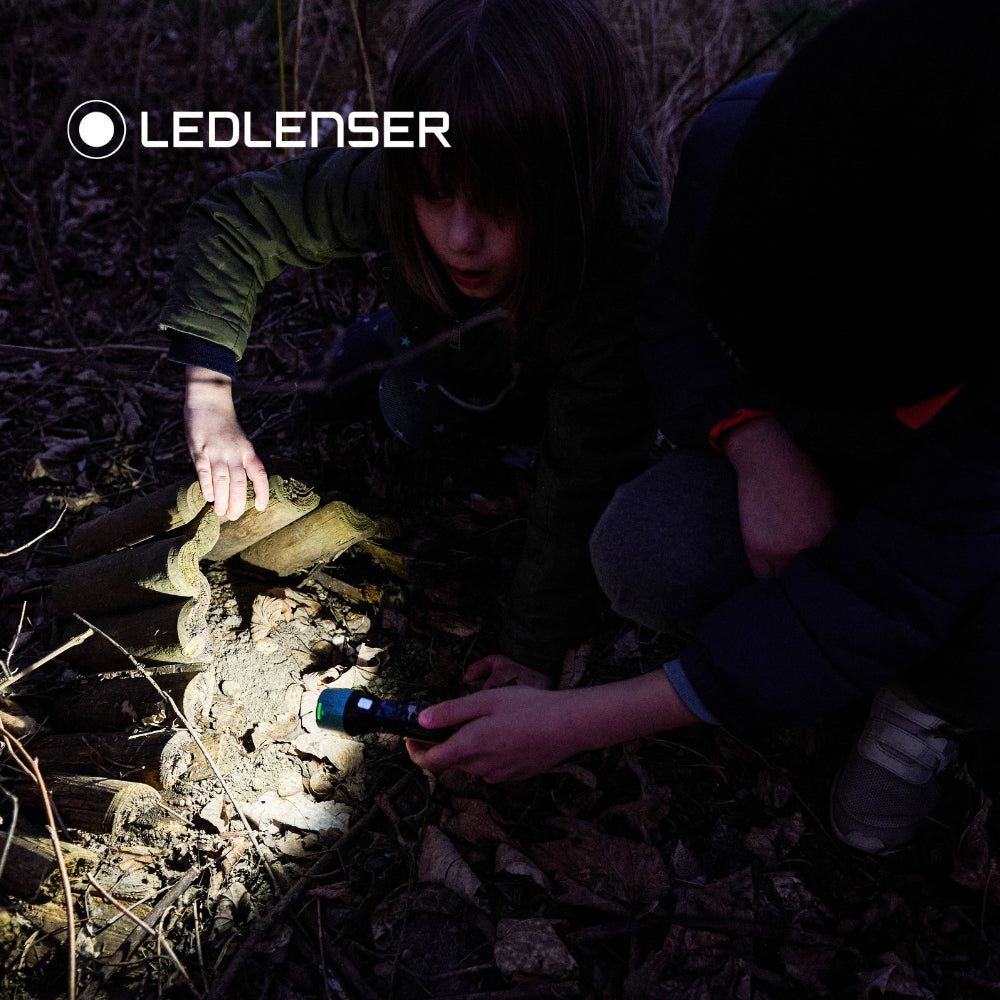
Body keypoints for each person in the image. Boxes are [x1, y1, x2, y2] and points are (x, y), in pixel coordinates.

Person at [409, 0, 1000, 857]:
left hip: (962, 514)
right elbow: (675, 325)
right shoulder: (744, 145)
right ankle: (788, 657)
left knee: (960, 600)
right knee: (651, 548)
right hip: (819, 449)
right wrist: (755, 442)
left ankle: (929, 704)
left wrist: (575, 722)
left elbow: (897, 584)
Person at [160, 0, 666, 688]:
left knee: (533, 466)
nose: (460, 237)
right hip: (455, 345)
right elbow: (238, 219)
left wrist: (529, 651)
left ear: (568, 182)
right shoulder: (410, 164)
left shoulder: (622, 262)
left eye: (500, 202)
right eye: (434, 193)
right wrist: (209, 390)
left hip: (565, 387)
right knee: (366, 391)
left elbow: (583, 480)